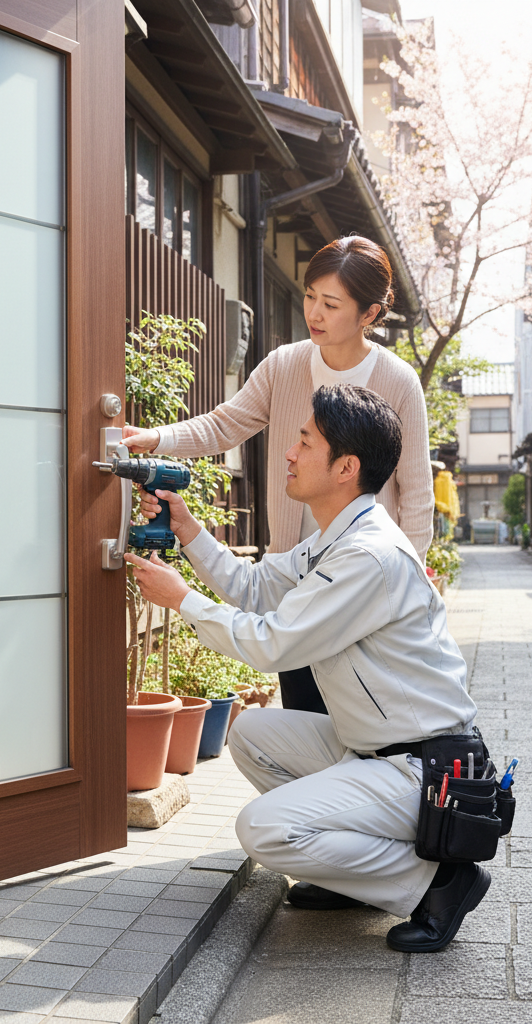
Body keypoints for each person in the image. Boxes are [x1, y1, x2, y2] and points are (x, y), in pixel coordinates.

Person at [124, 384, 491, 953]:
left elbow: (273, 644)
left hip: (421, 772)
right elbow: (254, 588)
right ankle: (353, 880)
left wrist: (181, 600)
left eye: (304, 442)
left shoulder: (368, 556)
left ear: (346, 467)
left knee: (262, 828)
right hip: (373, 750)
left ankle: (437, 882)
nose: (289, 455)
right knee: (251, 732)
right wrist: (187, 530)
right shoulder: (335, 539)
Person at [123, 236, 434, 716]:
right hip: (296, 570)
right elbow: (226, 423)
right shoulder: (285, 365)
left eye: (331, 304)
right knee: (303, 713)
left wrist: (401, 590)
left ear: (369, 314)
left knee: (357, 718)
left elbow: (416, 496)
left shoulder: (397, 381)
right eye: (310, 296)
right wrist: (157, 438)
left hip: (362, 580)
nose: (314, 312)